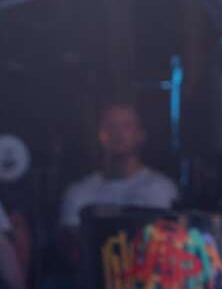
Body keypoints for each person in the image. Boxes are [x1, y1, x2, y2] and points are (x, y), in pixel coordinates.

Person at [58, 102, 178, 269]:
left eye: (126, 126)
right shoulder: (78, 193)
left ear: (141, 135)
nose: (118, 133)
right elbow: (74, 255)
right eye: (110, 126)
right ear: (100, 135)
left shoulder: (161, 189)